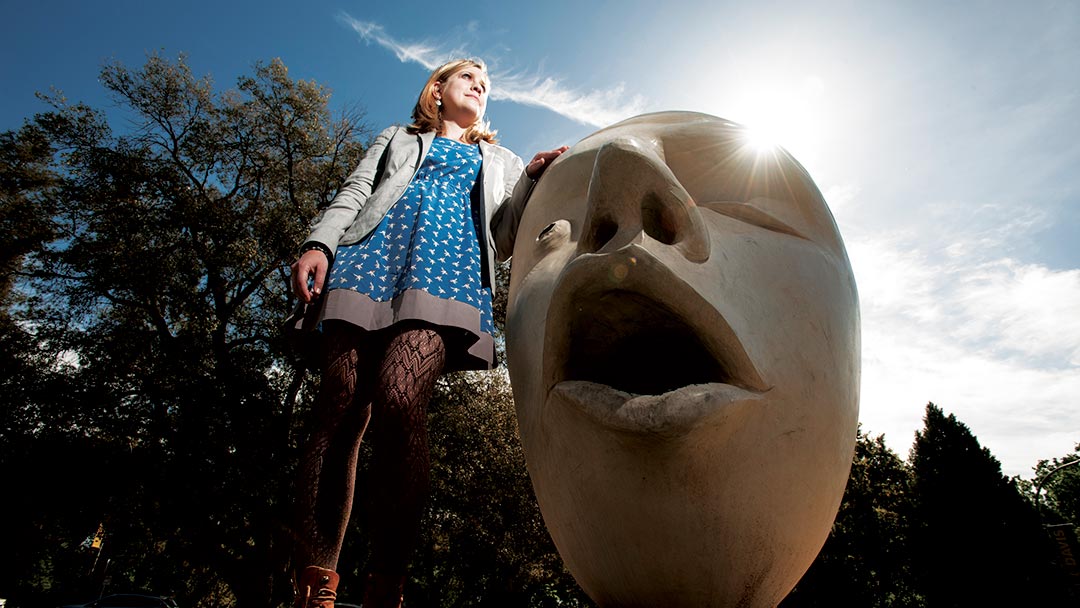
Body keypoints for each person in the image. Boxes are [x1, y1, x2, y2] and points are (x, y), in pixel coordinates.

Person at [287, 58, 567, 608]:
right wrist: (318, 243)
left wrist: (532, 178)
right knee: (340, 409)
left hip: (448, 276)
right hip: (367, 262)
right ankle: (313, 589)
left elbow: (506, 238)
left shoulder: (503, 160)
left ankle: (385, 586)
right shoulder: (395, 138)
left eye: (485, 85)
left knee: (399, 397)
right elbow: (353, 194)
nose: (480, 87)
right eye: (469, 78)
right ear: (437, 90)